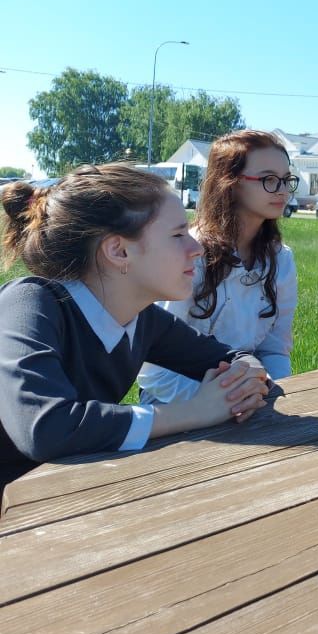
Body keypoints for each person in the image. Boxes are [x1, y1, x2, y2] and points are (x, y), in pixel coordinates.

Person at [0, 164, 269, 495]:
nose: (196, 248)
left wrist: (248, 377)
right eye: (177, 235)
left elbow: (228, 357)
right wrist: (194, 412)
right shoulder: (30, 303)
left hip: (58, 501)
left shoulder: (143, 319)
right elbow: (44, 428)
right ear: (119, 251)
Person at [138, 130, 298, 404]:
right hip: (176, 400)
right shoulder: (188, 254)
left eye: (286, 179)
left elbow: (275, 350)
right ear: (231, 183)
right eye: (269, 179)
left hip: (247, 396)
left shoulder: (280, 259)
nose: (282, 189)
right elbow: (153, 373)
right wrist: (224, 401)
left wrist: (273, 395)